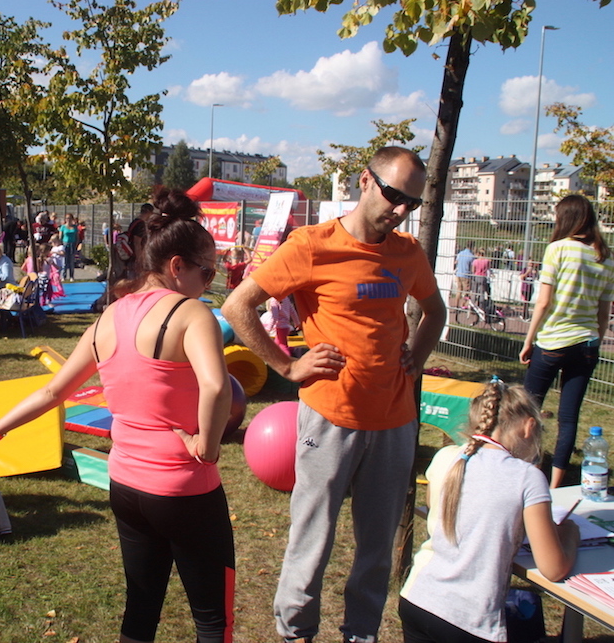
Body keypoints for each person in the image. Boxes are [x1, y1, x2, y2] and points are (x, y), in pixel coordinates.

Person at [0, 187, 235, 643]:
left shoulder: (110, 317)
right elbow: (217, 387)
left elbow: (53, 391)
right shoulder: (191, 313)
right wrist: (207, 447)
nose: (210, 281)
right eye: (208, 271)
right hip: (183, 487)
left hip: (126, 485)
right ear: (177, 266)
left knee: (140, 610)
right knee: (213, 621)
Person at [221, 146, 446, 643]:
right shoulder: (311, 245)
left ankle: (360, 634)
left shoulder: (408, 252)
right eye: (393, 195)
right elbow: (238, 306)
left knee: (376, 550)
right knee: (312, 541)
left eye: (412, 202)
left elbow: (435, 310)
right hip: (330, 419)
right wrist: (287, 366)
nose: (401, 210)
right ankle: (295, 633)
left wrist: (416, 354)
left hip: (394, 423)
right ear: (365, 181)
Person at [399, 379, 579, 643]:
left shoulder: (446, 456)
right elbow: (554, 568)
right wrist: (570, 535)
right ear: (529, 427)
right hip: (469, 619)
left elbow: (439, 513)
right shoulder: (526, 477)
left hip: (417, 598)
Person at [521, 194, 614, 488]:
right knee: (569, 417)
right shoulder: (605, 257)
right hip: (586, 344)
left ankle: (530, 471)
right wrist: (595, 341)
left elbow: (544, 302)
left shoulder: (557, 249)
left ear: (566, 219)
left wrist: (529, 339)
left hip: (552, 342)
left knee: (529, 409)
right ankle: (555, 485)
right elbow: (604, 311)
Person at [453, 241, 475, 310]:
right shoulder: (471, 256)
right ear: (472, 247)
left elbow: (456, 262)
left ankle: (456, 304)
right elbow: (472, 267)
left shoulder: (460, 253)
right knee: (467, 291)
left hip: (459, 273)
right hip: (466, 275)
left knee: (459, 290)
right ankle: (463, 304)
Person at [60, 214, 80, 282]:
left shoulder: (75, 227)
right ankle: (63, 276)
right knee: (65, 261)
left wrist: (76, 245)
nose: (68, 219)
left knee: (71, 261)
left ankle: (72, 276)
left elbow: (77, 237)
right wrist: (61, 246)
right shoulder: (63, 227)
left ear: (72, 219)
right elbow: (60, 237)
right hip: (65, 244)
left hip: (73, 244)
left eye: (69, 218)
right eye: (67, 218)